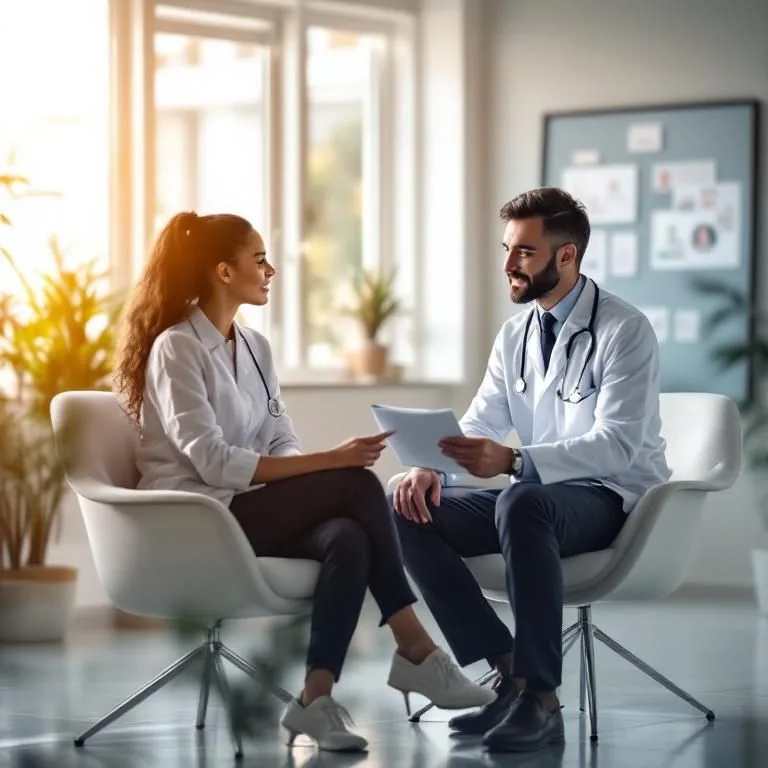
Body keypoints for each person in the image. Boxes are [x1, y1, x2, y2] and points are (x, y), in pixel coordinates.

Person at [112, 212, 494, 753]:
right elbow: (214, 463)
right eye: (259, 259)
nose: (271, 270)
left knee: (348, 535)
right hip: (197, 516)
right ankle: (417, 648)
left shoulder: (254, 347)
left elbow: (278, 437)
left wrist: (306, 473)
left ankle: (316, 699)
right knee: (358, 487)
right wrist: (327, 464)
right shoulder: (177, 348)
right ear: (223, 271)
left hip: (246, 508)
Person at [391, 187, 671, 753]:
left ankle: (542, 701)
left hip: (608, 497)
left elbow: (618, 445)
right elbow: (482, 423)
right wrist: (432, 469)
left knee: (521, 499)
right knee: (405, 506)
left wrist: (518, 462)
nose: (508, 266)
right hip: (541, 501)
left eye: (523, 252)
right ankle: (511, 671)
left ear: (565, 257)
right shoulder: (515, 334)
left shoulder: (625, 330)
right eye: (507, 249)